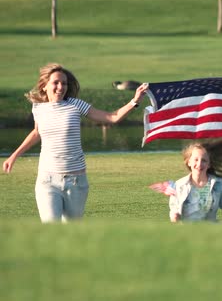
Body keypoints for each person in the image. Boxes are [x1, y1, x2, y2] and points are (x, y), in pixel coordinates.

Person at [2, 63, 149, 223]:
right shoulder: (38, 109)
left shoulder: (75, 105)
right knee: (51, 228)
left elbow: (112, 117)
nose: (60, 87)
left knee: (71, 233)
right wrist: (13, 156)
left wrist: (135, 101)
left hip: (76, 181)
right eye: (56, 82)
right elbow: (37, 133)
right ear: (44, 86)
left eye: (64, 83)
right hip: (47, 180)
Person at [155, 138, 222, 223]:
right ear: (189, 162)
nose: (199, 164)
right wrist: (174, 216)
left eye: (204, 160)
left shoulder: (218, 184)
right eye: (196, 160)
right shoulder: (179, 185)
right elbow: (173, 207)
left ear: (209, 164)